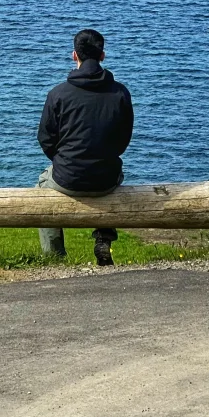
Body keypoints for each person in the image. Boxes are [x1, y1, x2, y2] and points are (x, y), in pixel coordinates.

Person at [36, 28, 134, 266]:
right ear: (102, 56)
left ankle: (54, 257)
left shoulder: (58, 94)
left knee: (41, 186)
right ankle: (103, 237)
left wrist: (61, 160)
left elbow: (45, 138)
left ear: (74, 55)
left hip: (67, 176)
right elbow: (124, 139)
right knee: (112, 173)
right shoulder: (120, 93)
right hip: (106, 178)